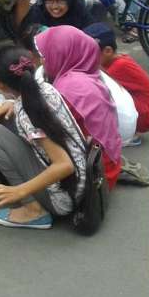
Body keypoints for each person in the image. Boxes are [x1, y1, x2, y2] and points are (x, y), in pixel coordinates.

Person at [0, 45, 87, 229]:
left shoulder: (27, 114)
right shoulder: (46, 88)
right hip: (83, 181)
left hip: (64, 198)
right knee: (5, 127)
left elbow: (64, 165)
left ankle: (33, 210)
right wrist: (13, 103)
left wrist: (19, 191)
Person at [34, 26, 122, 189]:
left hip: (94, 179)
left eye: (46, 55)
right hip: (109, 166)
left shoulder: (68, 88)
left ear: (63, 54)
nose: (42, 61)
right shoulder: (89, 75)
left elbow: (47, 131)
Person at [84, 22, 149, 138]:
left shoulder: (119, 66)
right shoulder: (114, 61)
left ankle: (127, 134)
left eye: (90, 54)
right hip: (145, 111)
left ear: (108, 51)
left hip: (145, 117)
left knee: (97, 94)